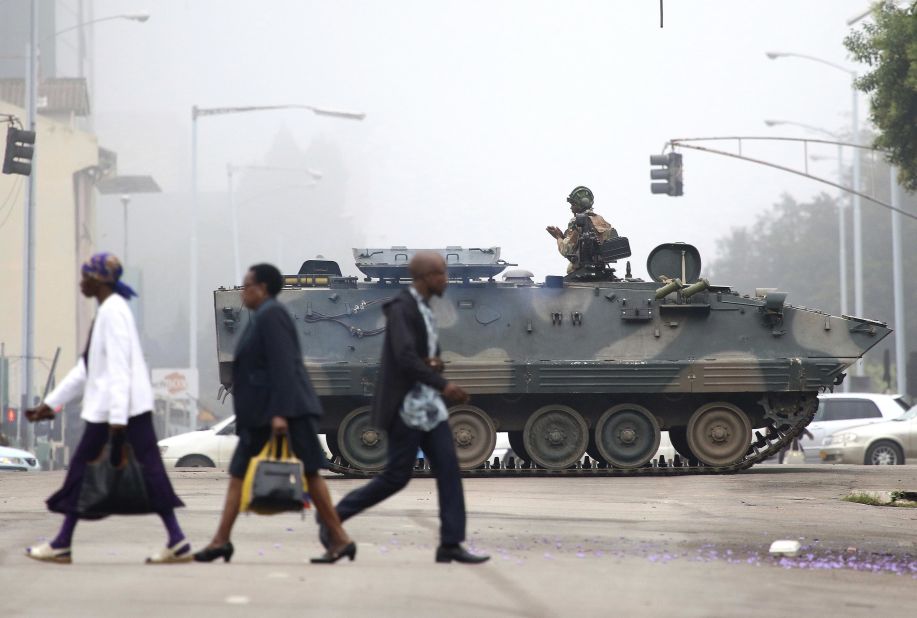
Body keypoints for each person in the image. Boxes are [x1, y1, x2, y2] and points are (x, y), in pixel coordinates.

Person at [319, 252, 490, 564]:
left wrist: (433, 365)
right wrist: (445, 385)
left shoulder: (423, 308)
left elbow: (416, 356)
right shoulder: (402, 308)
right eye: (441, 274)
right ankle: (331, 518)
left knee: (450, 471)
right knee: (396, 477)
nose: (446, 280)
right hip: (407, 406)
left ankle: (450, 543)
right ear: (425, 277)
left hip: (428, 406)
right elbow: (404, 356)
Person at [25, 252, 191, 564]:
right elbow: (87, 369)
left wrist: (116, 424)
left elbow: (118, 369)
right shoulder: (109, 311)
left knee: (81, 470)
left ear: (99, 279)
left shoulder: (113, 313)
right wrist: (50, 404)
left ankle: (62, 543)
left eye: (85, 275)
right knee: (151, 471)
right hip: (124, 410)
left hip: (116, 413)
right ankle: (177, 540)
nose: (80, 282)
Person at [193, 263, 354, 564]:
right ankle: (221, 541)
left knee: (304, 474)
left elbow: (283, 365)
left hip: (282, 414)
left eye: (248, 285)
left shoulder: (272, 316)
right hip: (267, 414)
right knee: (242, 475)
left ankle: (340, 539)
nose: (243, 291)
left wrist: (280, 413)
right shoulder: (263, 317)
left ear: (262, 288)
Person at [545, 185, 617, 271]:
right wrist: (562, 236)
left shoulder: (577, 221)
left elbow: (566, 250)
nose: (571, 207)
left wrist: (558, 237)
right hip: (600, 269)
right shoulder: (601, 220)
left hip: (583, 270)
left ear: (579, 205)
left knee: (569, 268)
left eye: (573, 204)